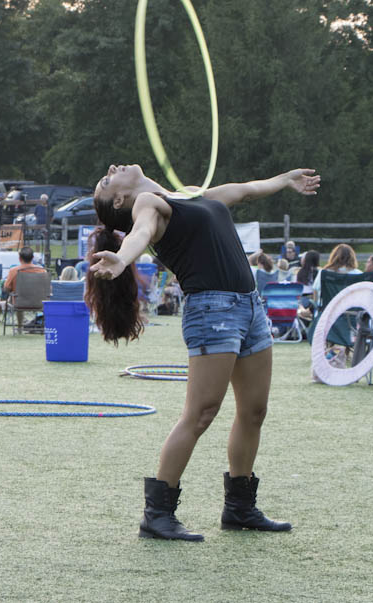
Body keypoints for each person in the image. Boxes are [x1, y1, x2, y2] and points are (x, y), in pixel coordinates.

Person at [88, 163, 318, 541]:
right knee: (201, 413)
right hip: (213, 311)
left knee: (254, 410)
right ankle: (157, 514)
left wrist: (284, 181)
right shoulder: (148, 202)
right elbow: (141, 232)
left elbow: (243, 189)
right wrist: (123, 259)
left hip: (250, 307)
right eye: (106, 178)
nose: (111, 168)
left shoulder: (188, 194)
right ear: (119, 198)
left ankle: (239, 508)